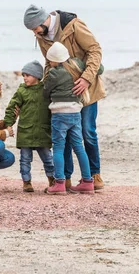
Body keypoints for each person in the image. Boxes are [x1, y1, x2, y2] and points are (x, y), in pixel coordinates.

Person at [23, 4, 106, 191]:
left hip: (85, 90)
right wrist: (45, 88)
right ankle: (65, 179)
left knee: (87, 132)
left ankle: (95, 176)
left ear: (42, 21)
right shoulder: (41, 36)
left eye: (34, 28)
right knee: (65, 137)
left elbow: (95, 50)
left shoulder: (74, 25)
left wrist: (86, 78)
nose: (34, 33)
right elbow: (48, 64)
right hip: (63, 95)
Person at [43, 42, 96, 195]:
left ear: (54, 60)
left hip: (59, 114)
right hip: (75, 113)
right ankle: (87, 181)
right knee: (78, 146)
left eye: (50, 60)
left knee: (58, 147)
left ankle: (60, 182)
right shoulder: (77, 65)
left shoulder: (54, 73)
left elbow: (45, 92)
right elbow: (98, 68)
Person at [3, 60, 55, 193]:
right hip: (26, 131)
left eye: (27, 75)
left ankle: (52, 180)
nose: (25, 78)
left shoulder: (45, 91)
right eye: (23, 75)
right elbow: (12, 107)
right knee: (25, 159)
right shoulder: (22, 91)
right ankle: (26, 182)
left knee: (48, 159)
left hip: (43, 131)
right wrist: (9, 124)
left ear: (37, 76)